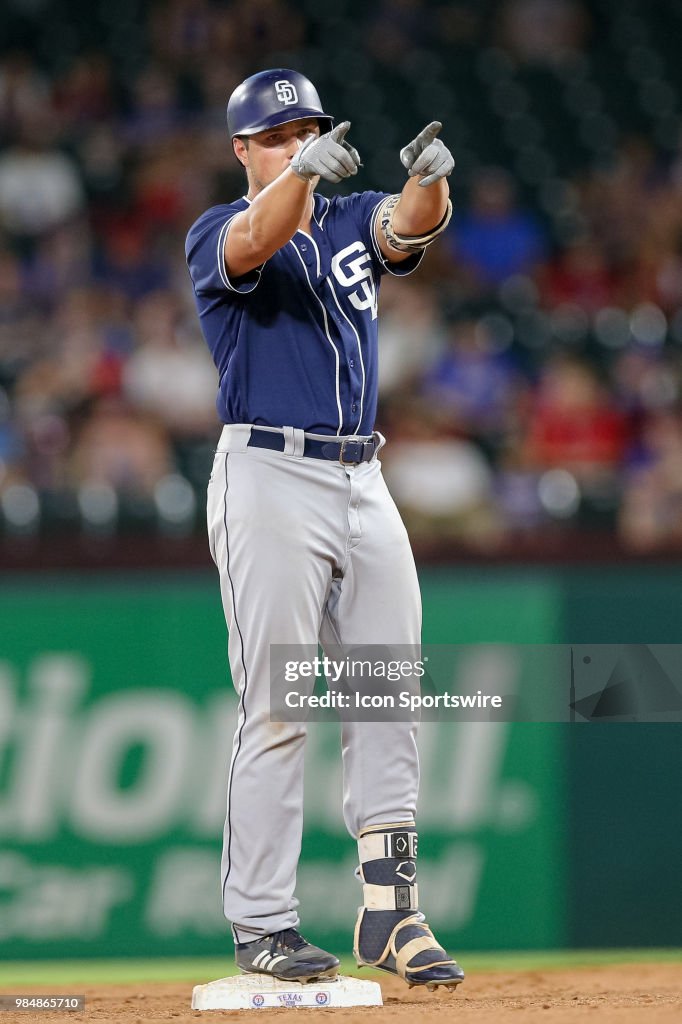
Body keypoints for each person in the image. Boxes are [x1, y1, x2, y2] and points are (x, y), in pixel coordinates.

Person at [185, 68, 464, 991]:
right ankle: (262, 924)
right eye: (273, 135)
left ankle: (391, 911)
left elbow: (407, 225)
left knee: (389, 691)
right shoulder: (214, 233)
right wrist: (298, 174)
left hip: (363, 472)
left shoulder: (349, 219)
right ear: (242, 150)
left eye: (303, 129)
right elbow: (258, 236)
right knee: (278, 706)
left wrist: (429, 175)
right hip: (266, 473)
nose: (290, 143)